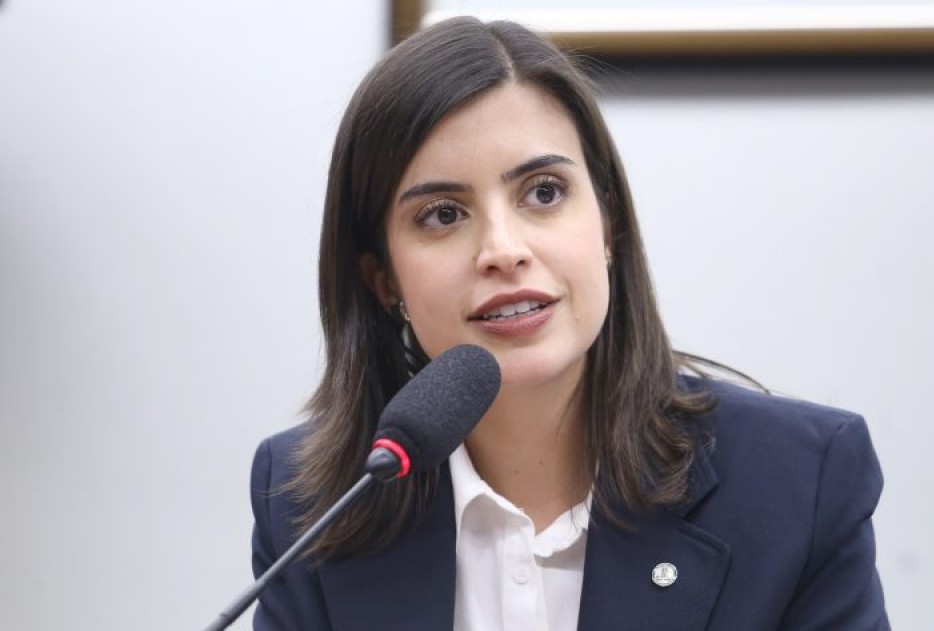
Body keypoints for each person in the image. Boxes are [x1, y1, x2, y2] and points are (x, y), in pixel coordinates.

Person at [249, 16, 889, 631]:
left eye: (544, 192)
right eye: (443, 214)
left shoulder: (799, 483)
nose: (503, 250)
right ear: (383, 278)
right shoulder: (311, 504)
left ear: (608, 225)